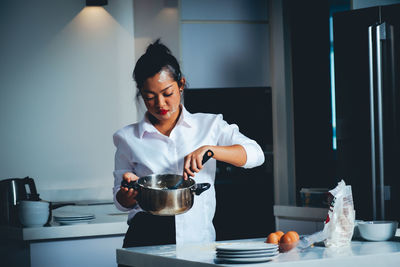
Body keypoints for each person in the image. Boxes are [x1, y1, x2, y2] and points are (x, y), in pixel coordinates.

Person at [113, 39, 265, 248]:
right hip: (145, 240)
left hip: (198, 244)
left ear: (181, 84)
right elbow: (120, 202)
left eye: (167, 93)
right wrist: (128, 193)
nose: (161, 104)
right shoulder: (127, 137)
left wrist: (210, 150)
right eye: (150, 97)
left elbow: (256, 155)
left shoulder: (209, 125)